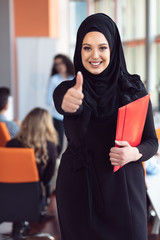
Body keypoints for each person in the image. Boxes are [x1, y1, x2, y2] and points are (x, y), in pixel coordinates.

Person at [53, 13, 158, 240]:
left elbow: (152, 141)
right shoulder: (70, 89)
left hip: (123, 189)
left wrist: (134, 153)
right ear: (79, 52)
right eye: (87, 48)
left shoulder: (133, 88)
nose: (95, 55)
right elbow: (62, 99)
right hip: (79, 190)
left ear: (113, 49)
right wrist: (67, 101)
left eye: (102, 47)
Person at [6, 107, 58, 237]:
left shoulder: (11, 143)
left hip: (7, 197)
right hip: (33, 200)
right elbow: (47, 179)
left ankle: (18, 226)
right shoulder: (50, 147)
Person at [46, 54, 74, 156]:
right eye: (56, 64)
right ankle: (56, 163)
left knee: (73, 141)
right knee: (58, 142)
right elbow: (48, 99)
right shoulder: (54, 79)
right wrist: (61, 105)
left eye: (61, 63)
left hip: (73, 115)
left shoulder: (74, 77)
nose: (59, 66)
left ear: (66, 62)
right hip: (58, 116)